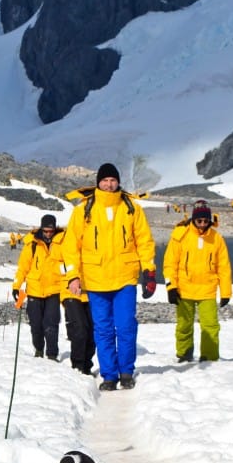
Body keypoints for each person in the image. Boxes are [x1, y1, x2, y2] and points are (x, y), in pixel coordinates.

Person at [62, 163, 156, 391]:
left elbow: (144, 241)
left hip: (125, 277)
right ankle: (109, 375)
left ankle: (126, 372)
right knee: (102, 329)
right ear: (98, 182)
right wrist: (73, 276)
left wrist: (149, 271)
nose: (109, 184)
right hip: (95, 279)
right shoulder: (83, 209)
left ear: (118, 182)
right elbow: (70, 245)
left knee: (125, 326)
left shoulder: (131, 207)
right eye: (105, 180)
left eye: (113, 180)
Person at [162, 200, 232, 362]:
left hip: (207, 289)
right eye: (199, 221)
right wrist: (171, 287)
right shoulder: (180, 235)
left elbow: (224, 267)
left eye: (206, 221)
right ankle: (184, 354)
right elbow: (169, 264)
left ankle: (209, 357)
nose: (202, 224)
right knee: (184, 325)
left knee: (210, 326)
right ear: (193, 219)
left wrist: (225, 292)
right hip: (183, 289)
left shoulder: (217, 239)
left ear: (210, 221)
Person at [12, 215, 62, 361]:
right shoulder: (32, 245)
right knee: (36, 325)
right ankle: (39, 349)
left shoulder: (61, 243)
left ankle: (52, 354)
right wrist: (16, 286)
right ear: (41, 229)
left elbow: (68, 263)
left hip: (54, 290)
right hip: (34, 290)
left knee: (51, 324)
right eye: (45, 231)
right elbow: (22, 268)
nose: (48, 234)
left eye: (50, 231)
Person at [51, 234, 96, 375]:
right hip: (69, 291)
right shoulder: (60, 241)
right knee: (79, 328)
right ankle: (78, 366)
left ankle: (87, 365)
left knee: (92, 331)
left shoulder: (94, 233)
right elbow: (53, 266)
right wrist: (72, 270)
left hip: (90, 290)